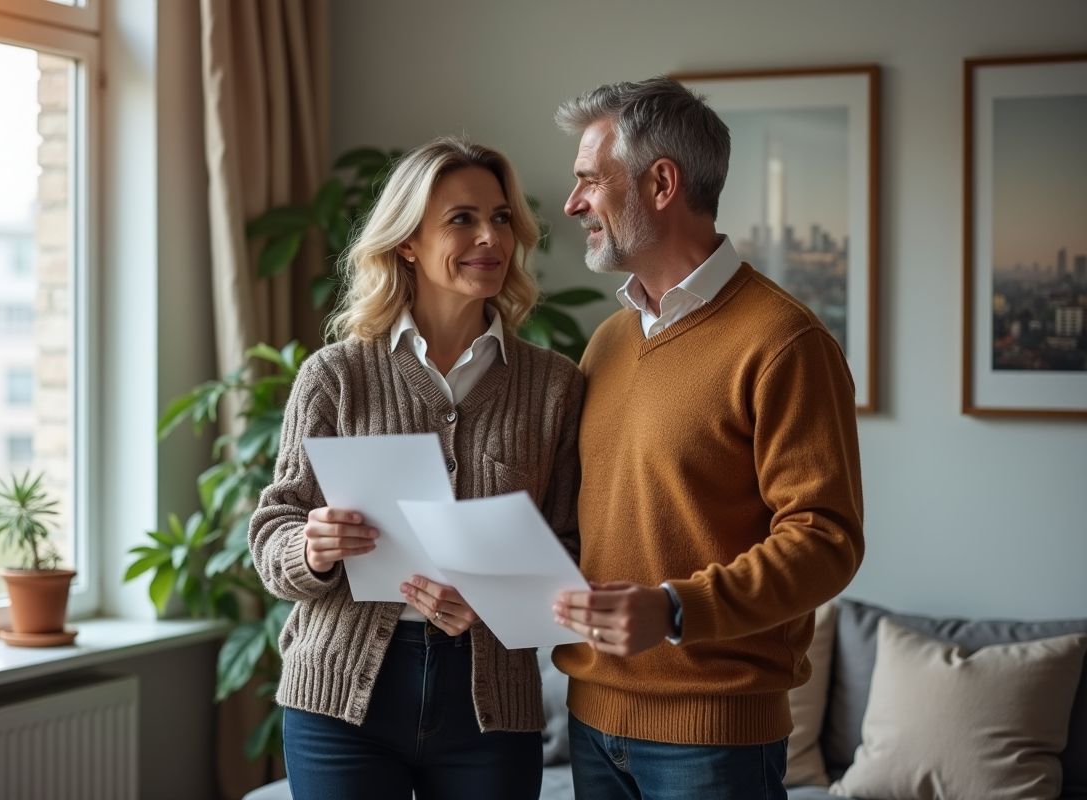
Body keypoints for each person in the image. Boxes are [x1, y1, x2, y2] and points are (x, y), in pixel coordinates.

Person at [549, 77, 865, 800]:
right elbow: (588, 524)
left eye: (590, 181)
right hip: (590, 723)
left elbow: (826, 540)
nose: (573, 204)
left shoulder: (784, 342)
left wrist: (674, 607)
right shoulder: (607, 343)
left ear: (661, 183)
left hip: (714, 740)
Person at [248, 137, 584, 800]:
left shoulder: (554, 386)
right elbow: (271, 532)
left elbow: (574, 546)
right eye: (461, 219)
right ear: (406, 241)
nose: (489, 237)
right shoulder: (334, 375)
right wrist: (311, 548)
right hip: (340, 700)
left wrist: (491, 600)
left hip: (491, 709)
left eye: (501, 218)